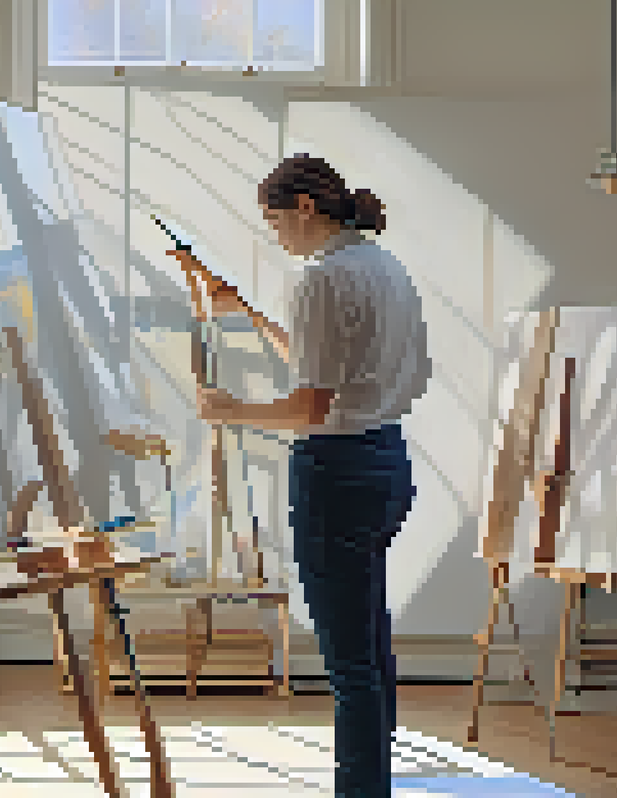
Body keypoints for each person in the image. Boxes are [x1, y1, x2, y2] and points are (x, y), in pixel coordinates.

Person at [181, 154, 430, 797]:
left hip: (336, 472)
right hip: (385, 462)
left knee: (349, 664)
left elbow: (311, 407)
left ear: (305, 209)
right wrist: (249, 315)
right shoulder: (382, 265)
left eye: (274, 224)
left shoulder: (321, 281)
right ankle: (373, 783)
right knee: (370, 646)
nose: (276, 238)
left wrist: (230, 410)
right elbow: (332, 367)